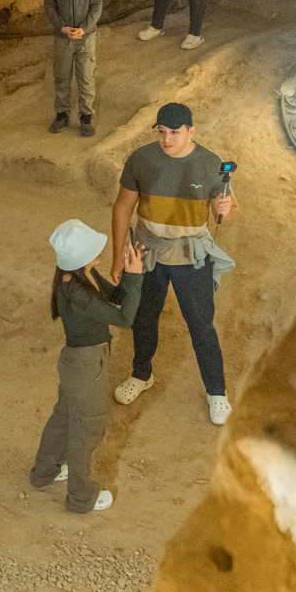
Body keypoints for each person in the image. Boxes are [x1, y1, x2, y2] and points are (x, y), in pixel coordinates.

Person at [109, 103, 238, 424]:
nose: (167, 140)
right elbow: (123, 207)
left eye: (175, 133)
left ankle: (217, 393)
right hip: (146, 248)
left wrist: (226, 208)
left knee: (201, 324)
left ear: (191, 132)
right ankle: (142, 375)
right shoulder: (141, 159)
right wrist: (118, 256)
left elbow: (230, 216)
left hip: (190, 254)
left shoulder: (210, 165)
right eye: (162, 132)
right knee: (143, 316)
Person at [30, 219, 144, 514]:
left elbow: (115, 299)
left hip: (77, 363)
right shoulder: (78, 291)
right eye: (93, 249)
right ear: (80, 257)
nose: (100, 252)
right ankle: (81, 498)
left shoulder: (81, 277)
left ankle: (45, 472)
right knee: (88, 428)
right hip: (86, 366)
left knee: (65, 416)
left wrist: (130, 274)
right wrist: (135, 278)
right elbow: (123, 319)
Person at [44, 0, 102, 136]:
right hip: (63, 38)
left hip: (86, 38)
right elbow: (50, 6)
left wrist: (84, 27)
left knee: (86, 77)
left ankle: (86, 117)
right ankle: (62, 114)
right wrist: (62, 26)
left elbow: (96, 5)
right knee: (61, 76)